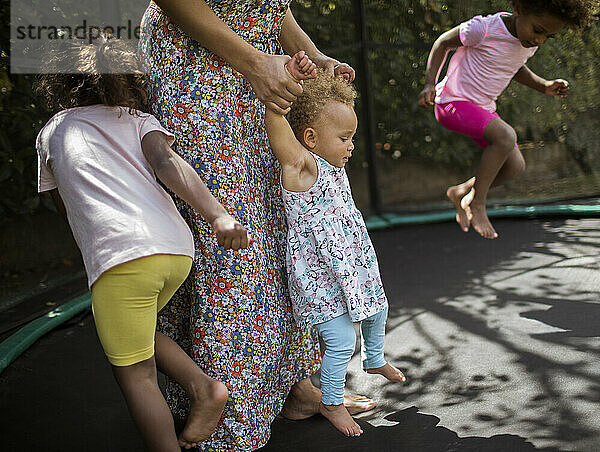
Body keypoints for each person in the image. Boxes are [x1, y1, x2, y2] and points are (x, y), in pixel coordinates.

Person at [138, 1, 372, 449]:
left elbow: (263, 5)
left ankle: (293, 385)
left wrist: (314, 56)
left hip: (259, 78)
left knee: (285, 231)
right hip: (199, 75)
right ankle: (227, 405)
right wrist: (254, 62)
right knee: (235, 249)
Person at [34, 35, 249, 451]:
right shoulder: (137, 120)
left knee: (137, 376)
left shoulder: (53, 131)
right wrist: (218, 214)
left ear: (61, 82)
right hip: (174, 248)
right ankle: (204, 389)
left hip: (121, 257)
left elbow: (66, 207)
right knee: (140, 332)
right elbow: (168, 164)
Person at [264, 53, 407, 437]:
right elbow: (280, 131)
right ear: (310, 138)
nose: (350, 146)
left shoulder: (335, 167)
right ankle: (330, 402)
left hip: (351, 263)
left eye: (352, 138)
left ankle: (375, 359)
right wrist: (276, 103)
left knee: (379, 307)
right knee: (341, 338)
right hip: (319, 275)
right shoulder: (303, 166)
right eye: (344, 138)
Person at [417, 0, 598, 239]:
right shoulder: (483, 29)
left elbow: (514, 66)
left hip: (482, 109)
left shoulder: (528, 42)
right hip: (452, 102)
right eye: (539, 30)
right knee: (505, 136)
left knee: (514, 166)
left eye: (549, 37)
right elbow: (443, 43)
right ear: (520, 9)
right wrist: (430, 82)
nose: (540, 40)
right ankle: (477, 203)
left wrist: (543, 86)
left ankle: (461, 192)